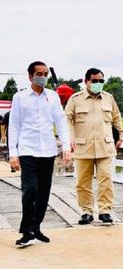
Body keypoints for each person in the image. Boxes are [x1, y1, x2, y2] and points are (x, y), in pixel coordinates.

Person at [9, 61, 71, 247]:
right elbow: (14, 125)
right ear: (30, 76)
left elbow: (60, 122)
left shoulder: (52, 97)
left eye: (45, 74)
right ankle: (26, 230)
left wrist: (66, 147)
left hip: (48, 150)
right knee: (30, 189)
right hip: (28, 149)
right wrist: (13, 153)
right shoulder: (20, 97)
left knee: (44, 191)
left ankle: (36, 227)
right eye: (39, 74)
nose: (43, 77)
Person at [65, 68, 123, 225]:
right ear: (86, 82)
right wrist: (69, 138)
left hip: (105, 146)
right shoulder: (75, 99)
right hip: (83, 147)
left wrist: (121, 135)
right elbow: (67, 119)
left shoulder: (109, 98)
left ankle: (105, 210)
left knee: (106, 180)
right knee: (83, 182)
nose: (98, 84)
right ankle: (86, 211)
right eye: (95, 81)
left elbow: (116, 118)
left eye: (101, 81)